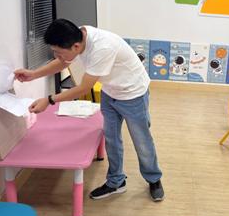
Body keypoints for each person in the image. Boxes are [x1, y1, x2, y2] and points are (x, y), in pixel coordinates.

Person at [14, 19, 164, 202]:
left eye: (58, 52)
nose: (56, 55)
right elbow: (63, 62)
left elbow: (83, 88)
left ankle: (154, 179)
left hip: (133, 94)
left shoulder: (102, 48)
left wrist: (49, 100)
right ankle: (116, 181)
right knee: (111, 138)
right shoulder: (77, 36)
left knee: (141, 140)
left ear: (76, 47)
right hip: (111, 92)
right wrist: (33, 74)